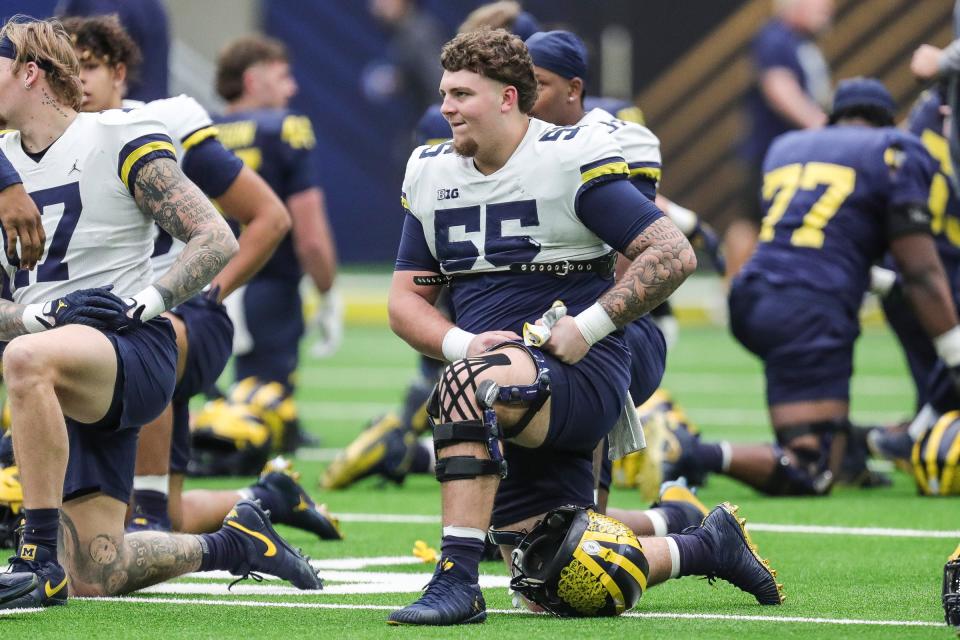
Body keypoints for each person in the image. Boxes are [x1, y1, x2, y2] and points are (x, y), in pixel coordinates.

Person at [385, 28, 781, 626]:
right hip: (507, 376)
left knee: (467, 384)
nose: (445, 108)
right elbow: (404, 301)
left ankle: (456, 580)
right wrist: (464, 342)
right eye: (444, 93)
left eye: (462, 94)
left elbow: (671, 252)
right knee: (549, 574)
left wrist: (592, 324)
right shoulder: (430, 170)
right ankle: (700, 543)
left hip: (579, 372)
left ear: (507, 98)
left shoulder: (569, 156)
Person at [0, 17, 319, 609]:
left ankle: (36, 556)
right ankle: (235, 544)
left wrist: (146, 301)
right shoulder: (2, 165)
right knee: (99, 569)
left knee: (24, 360)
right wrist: (40, 315)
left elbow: (214, 236)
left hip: (129, 348)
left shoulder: (116, 135)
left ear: (29, 72)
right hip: (60, 361)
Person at [62, 14, 340, 541]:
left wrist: (206, 291)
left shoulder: (160, 123)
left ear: (119, 72)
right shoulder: (42, 144)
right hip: (95, 319)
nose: (75, 82)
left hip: (172, 315)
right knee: (113, 530)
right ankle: (261, 497)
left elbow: (270, 217)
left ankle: (146, 509)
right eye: (64, 70)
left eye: (88, 67)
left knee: (141, 333)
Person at [668, 78, 958, 496]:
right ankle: (694, 452)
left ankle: (855, 451)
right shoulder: (893, 151)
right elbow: (922, 272)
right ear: (887, 122)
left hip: (753, 293)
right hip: (807, 308)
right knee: (812, 468)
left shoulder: (789, 146)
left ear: (832, 118)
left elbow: (817, 241)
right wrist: (955, 355)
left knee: (834, 453)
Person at [211, 34, 339, 450]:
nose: (291, 87)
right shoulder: (286, 127)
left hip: (206, 281)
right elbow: (311, 235)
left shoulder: (201, 131)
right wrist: (328, 290)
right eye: (282, 76)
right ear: (253, 80)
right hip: (268, 282)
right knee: (263, 420)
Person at [729, 0, 834, 280]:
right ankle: (732, 286)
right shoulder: (776, 38)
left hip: (793, 150)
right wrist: (820, 124)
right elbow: (779, 88)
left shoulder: (800, 42)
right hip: (772, 150)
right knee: (752, 220)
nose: (827, 10)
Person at [56, 0, 169, 101]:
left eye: (91, 67)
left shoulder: (149, 9)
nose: (81, 76)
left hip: (129, 105)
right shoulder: (154, 7)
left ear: (119, 73)